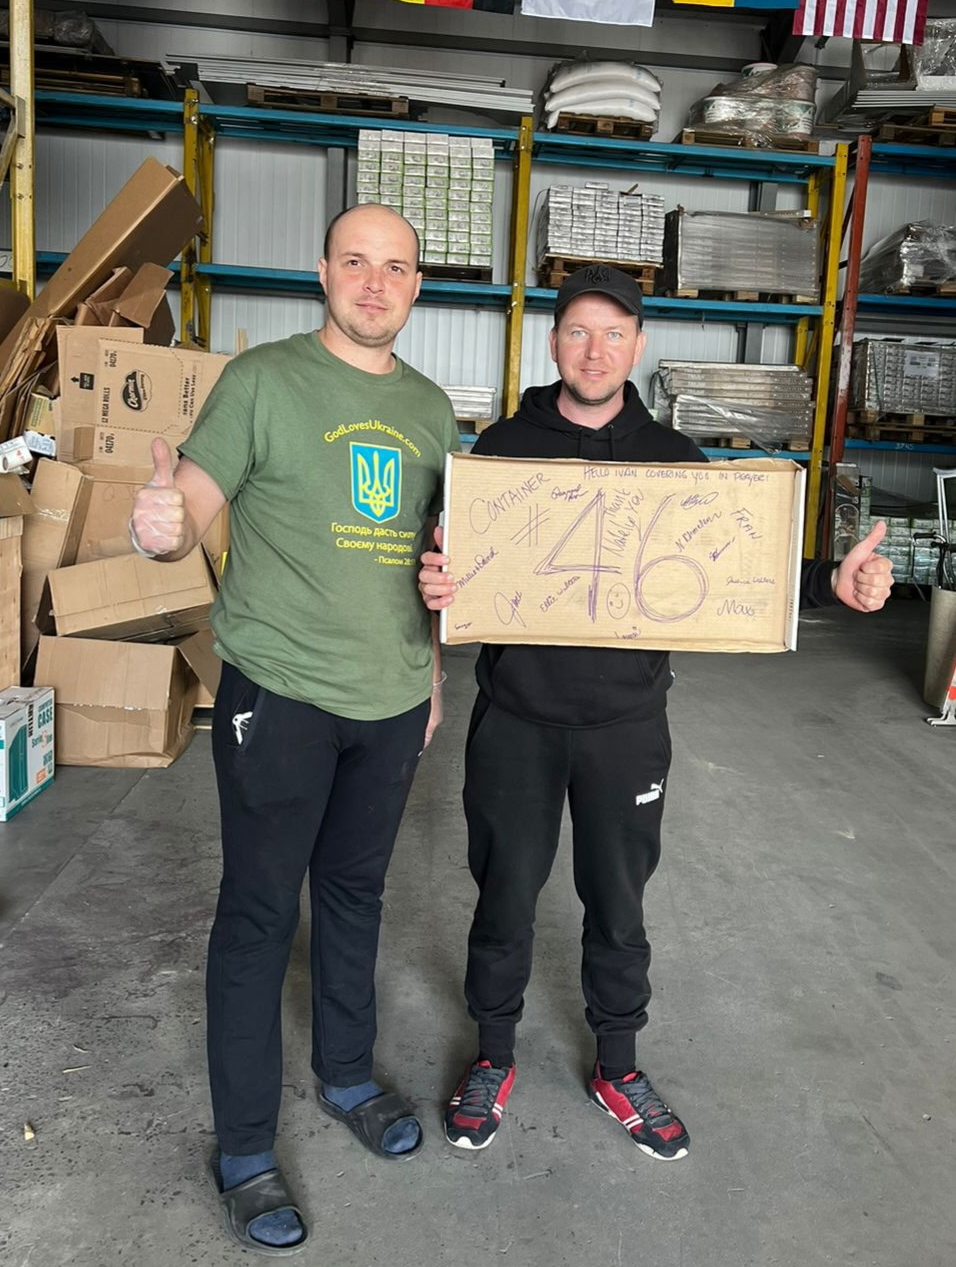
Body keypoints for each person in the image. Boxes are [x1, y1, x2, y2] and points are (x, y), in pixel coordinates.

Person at [419, 264, 893, 1162]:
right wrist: (433, 578)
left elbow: (731, 571)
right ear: (552, 342)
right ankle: (493, 1052)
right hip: (517, 719)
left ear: (637, 346)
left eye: (614, 333)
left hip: (628, 726)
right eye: (576, 332)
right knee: (507, 893)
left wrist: (826, 582)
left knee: (619, 899)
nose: (594, 350)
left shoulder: (675, 459)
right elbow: (449, 568)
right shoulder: (499, 453)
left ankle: (619, 1063)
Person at [131, 204, 459, 1255]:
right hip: (280, 697)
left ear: (416, 287)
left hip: (393, 698)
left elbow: (433, 558)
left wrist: (435, 667)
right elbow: (188, 495)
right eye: (355, 262)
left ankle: (349, 1076)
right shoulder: (263, 382)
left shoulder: (428, 408)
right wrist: (160, 523)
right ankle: (241, 1146)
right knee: (260, 913)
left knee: (357, 894)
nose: (375, 283)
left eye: (395, 267)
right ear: (323, 273)